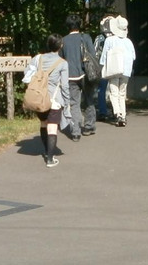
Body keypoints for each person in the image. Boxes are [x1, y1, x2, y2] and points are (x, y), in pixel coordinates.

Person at [23, 34, 71, 167]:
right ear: (60, 46)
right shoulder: (63, 63)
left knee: (44, 124)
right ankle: (50, 158)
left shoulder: (38, 58)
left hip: (39, 98)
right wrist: (67, 103)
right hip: (54, 99)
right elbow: (65, 86)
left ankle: (46, 151)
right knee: (52, 127)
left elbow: (27, 73)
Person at [60, 14, 98, 140]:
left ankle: (76, 132)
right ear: (79, 25)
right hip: (86, 74)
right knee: (89, 100)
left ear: (67, 26)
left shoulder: (63, 40)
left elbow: (61, 59)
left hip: (70, 76)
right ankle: (88, 126)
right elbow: (92, 55)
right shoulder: (85, 37)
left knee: (74, 104)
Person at [99, 15, 136, 127]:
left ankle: (118, 114)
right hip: (126, 70)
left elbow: (104, 56)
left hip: (114, 69)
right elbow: (134, 56)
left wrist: (102, 67)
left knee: (114, 93)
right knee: (122, 93)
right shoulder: (128, 42)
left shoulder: (110, 40)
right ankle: (123, 115)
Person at [93, 15, 114, 122]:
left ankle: (103, 112)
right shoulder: (118, 37)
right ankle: (117, 112)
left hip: (103, 67)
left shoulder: (99, 38)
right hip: (116, 67)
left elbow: (95, 53)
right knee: (116, 90)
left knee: (101, 90)